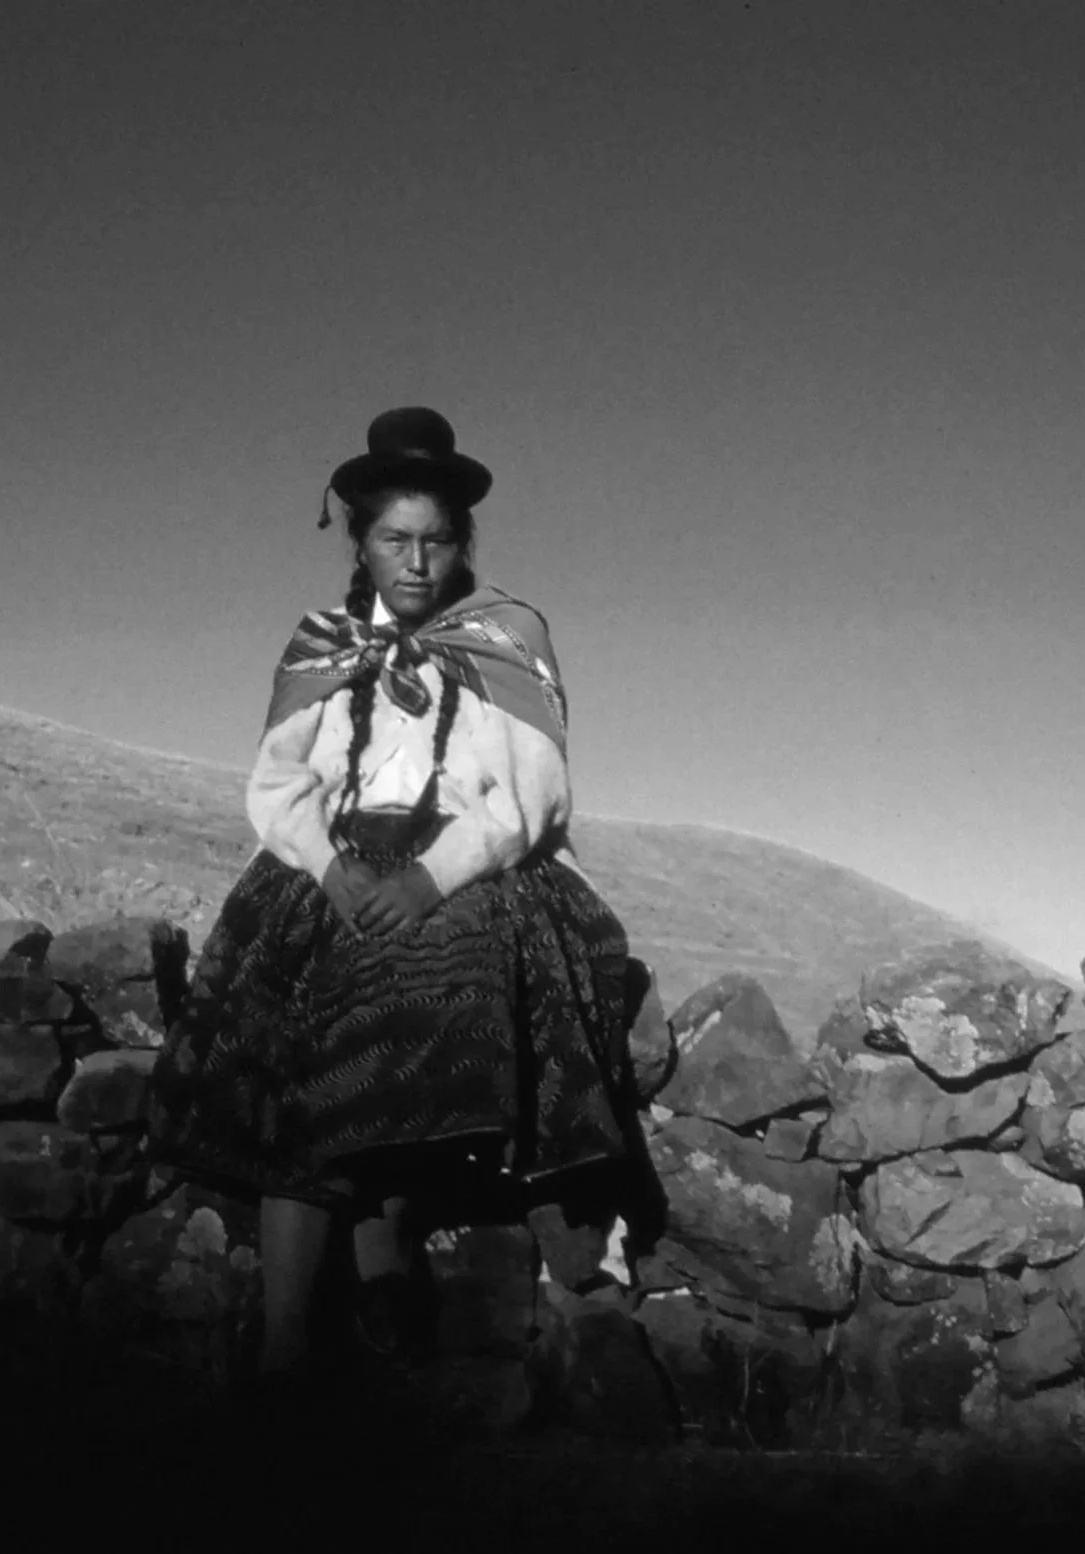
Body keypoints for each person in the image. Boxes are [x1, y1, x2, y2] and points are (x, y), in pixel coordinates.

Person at [144, 406, 651, 1398]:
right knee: (280, 1010)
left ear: (462, 544)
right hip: (331, 859)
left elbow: (532, 793)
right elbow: (279, 788)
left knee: (424, 982)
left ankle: (385, 1253)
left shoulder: (508, 636)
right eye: (393, 541)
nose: (415, 562)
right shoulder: (324, 645)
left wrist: (429, 876)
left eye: (435, 541)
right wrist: (331, 868)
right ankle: (288, 1349)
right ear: (360, 542)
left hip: (479, 863)